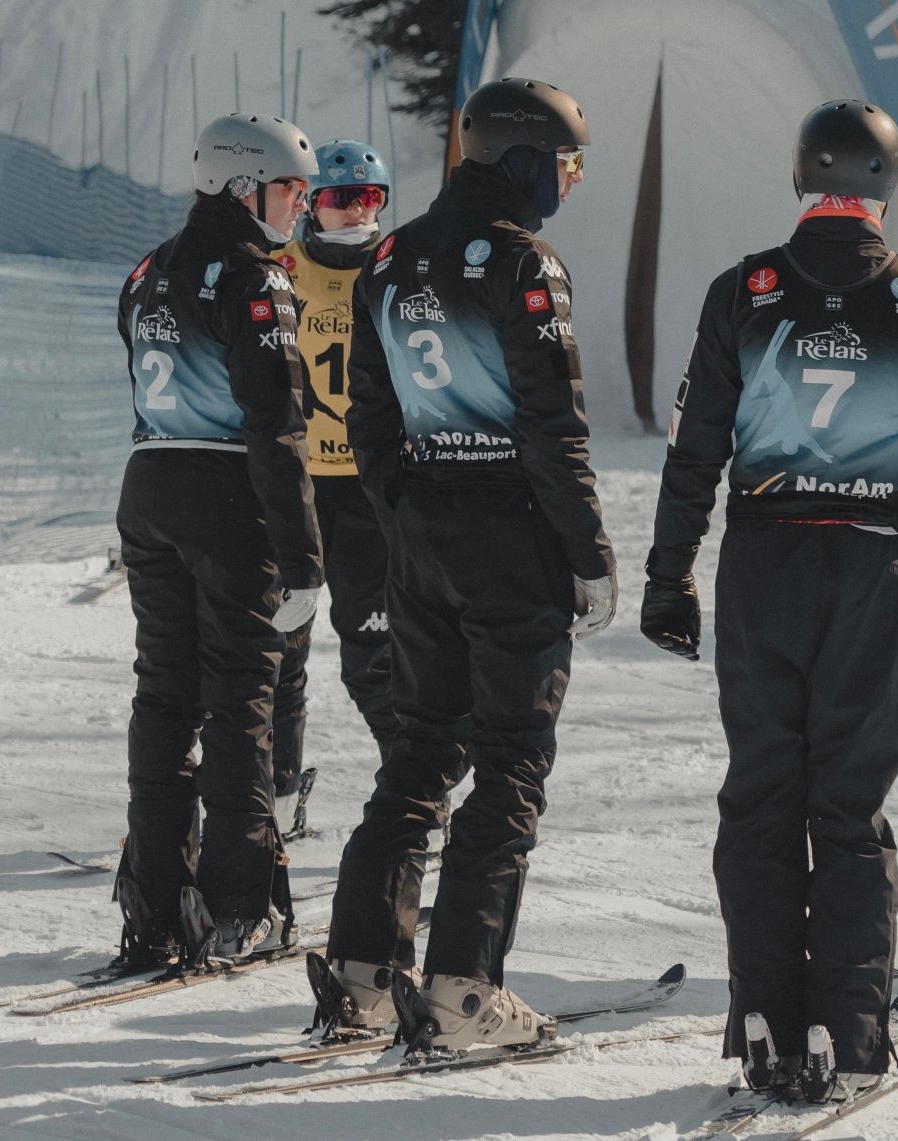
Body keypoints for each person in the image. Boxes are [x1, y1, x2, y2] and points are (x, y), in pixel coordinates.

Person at [641, 99, 898, 1103]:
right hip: (870, 565)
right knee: (849, 809)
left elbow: (694, 447)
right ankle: (853, 1032)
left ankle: (762, 1019)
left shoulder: (746, 289)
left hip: (763, 564)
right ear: (886, 183)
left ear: (802, 176)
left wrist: (667, 574)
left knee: (761, 796)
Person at [312, 77, 616, 1053]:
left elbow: (368, 418)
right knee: (511, 757)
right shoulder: (524, 260)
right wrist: (589, 551)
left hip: (420, 536)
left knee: (420, 746)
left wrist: (406, 510)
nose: (568, 181)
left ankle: (362, 972)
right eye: (567, 163)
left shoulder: (393, 257)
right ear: (529, 160)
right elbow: (550, 424)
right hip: (507, 537)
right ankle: (461, 990)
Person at [113, 113, 323, 968]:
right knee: (242, 698)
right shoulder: (254, 280)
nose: (300, 208)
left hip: (148, 485)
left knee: (165, 692)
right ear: (244, 187)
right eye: (289, 190)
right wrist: (305, 557)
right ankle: (242, 906)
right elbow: (277, 423)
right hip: (225, 497)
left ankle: (155, 900)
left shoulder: (148, 268)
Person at [269, 140, 397, 841]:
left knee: (373, 658)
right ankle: (277, 798)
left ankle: (416, 798)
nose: (356, 211)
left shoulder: (396, 268)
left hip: (368, 490)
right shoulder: (284, 268)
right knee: (278, 649)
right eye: (341, 197)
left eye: (371, 198)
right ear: (313, 204)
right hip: (295, 480)